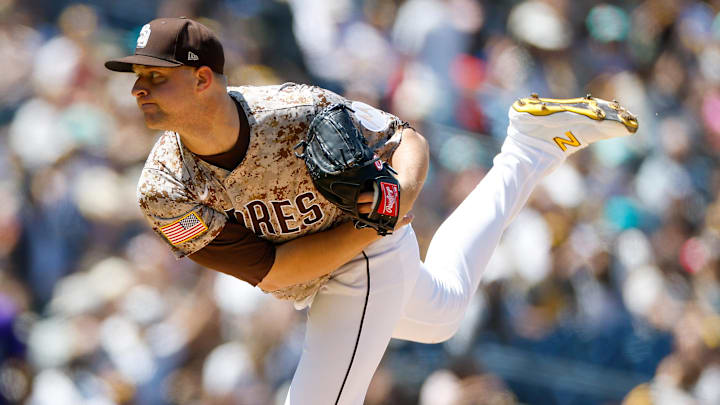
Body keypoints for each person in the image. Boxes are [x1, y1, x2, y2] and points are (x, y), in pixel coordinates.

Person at [105, 17, 638, 405]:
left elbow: (406, 138)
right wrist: (378, 221)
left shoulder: (293, 109)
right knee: (443, 314)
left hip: (366, 258)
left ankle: (529, 150)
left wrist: (399, 194)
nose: (138, 88)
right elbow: (276, 271)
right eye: (137, 75)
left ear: (203, 79)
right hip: (331, 257)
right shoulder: (164, 189)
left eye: (156, 76)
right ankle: (529, 148)